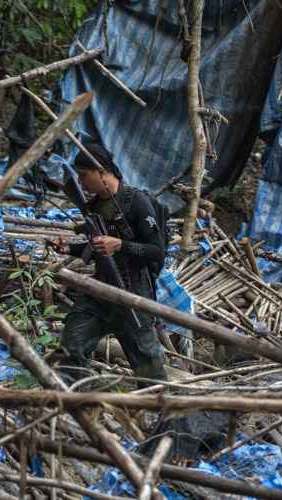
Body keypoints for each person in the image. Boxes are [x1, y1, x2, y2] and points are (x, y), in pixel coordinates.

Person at [50, 143, 167, 385]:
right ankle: (71, 403)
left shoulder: (136, 201)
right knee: (73, 344)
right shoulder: (94, 207)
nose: (82, 183)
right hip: (100, 288)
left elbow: (157, 251)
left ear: (102, 171)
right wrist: (68, 248)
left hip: (132, 290)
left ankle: (164, 413)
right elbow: (95, 249)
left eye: (84, 175)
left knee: (148, 363)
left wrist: (121, 245)